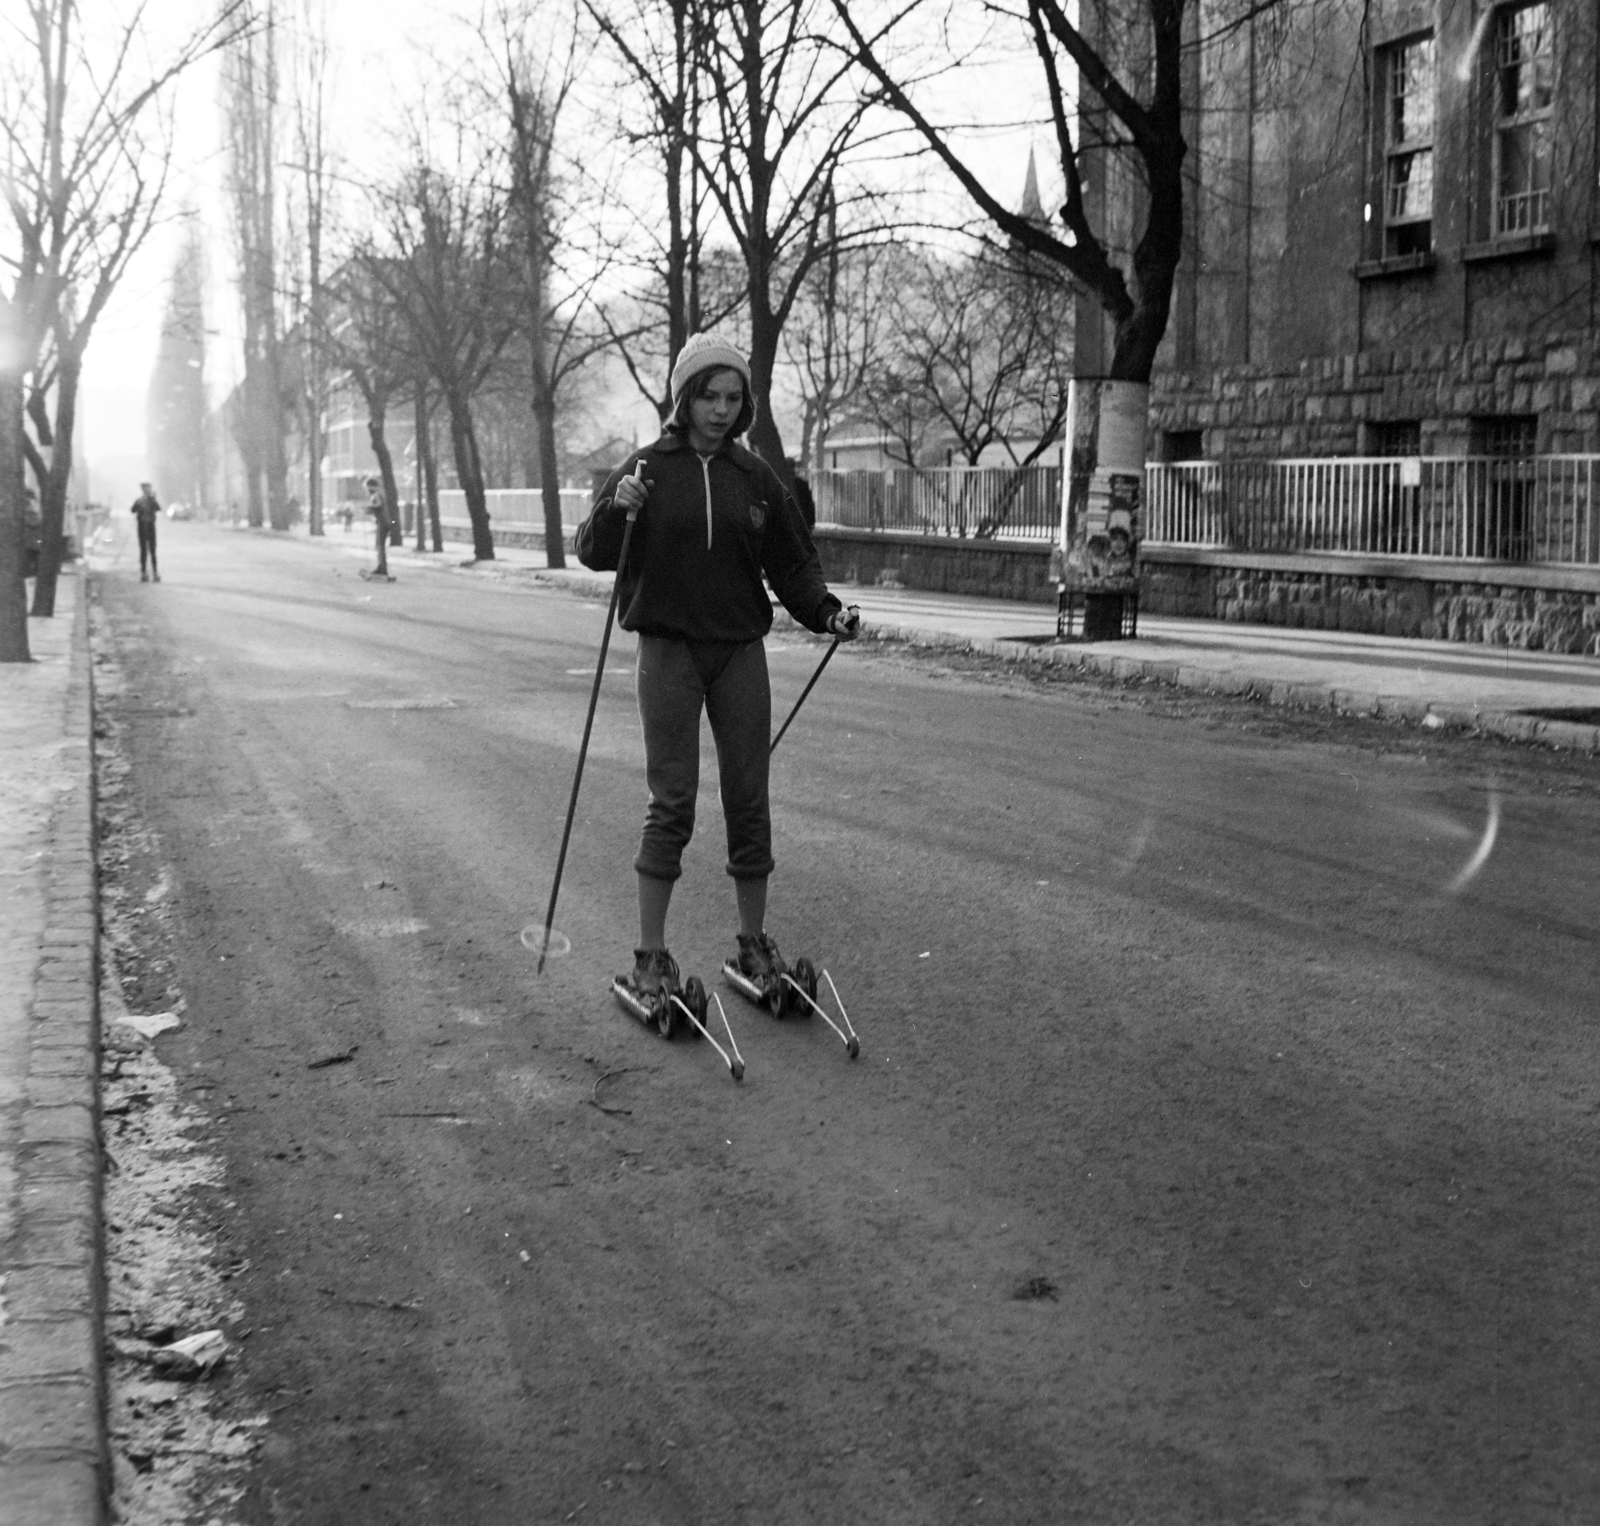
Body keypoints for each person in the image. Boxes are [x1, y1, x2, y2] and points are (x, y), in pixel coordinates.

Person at [576, 332, 859, 1001]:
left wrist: (826, 611)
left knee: (748, 798)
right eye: (710, 395)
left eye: (734, 397)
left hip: (738, 651)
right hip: (669, 649)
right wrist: (621, 512)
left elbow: (792, 562)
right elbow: (591, 548)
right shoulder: (646, 468)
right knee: (671, 802)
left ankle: (754, 946)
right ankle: (650, 957)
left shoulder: (755, 476)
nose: (722, 409)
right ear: (685, 397)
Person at [131, 482, 161, 582]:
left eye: (149, 488)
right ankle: (144, 573)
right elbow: (133, 510)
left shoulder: (152, 500)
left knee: (152, 551)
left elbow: (158, 508)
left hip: (150, 527)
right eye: (146, 488)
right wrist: (139, 506)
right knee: (144, 551)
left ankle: (155, 573)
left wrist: (153, 499)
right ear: (143, 489)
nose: (148, 490)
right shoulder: (139, 500)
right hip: (142, 528)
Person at [364, 474, 391, 578]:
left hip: (383, 523)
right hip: (384, 522)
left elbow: (378, 505)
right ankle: (381, 566)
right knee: (379, 545)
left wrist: (369, 508)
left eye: (367, 487)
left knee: (380, 545)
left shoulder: (376, 494)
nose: (366, 489)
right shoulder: (380, 493)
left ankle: (382, 568)